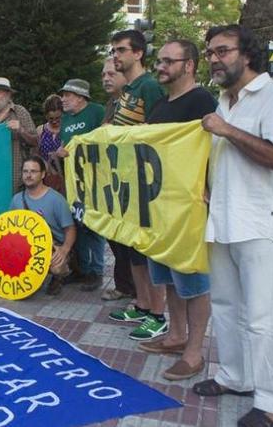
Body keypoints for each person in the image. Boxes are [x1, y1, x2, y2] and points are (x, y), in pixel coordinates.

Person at [193, 25, 273, 427]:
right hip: (222, 222)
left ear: (247, 54)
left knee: (263, 317)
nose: (214, 59)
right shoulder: (224, 102)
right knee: (225, 307)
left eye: (222, 51)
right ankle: (236, 377)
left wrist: (226, 131)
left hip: (261, 224)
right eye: (210, 53)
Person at [136, 39, 218, 380]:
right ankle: (176, 335)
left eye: (169, 61)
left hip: (189, 210)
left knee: (194, 281)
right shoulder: (158, 106)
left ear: (189, 65)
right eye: (160, 61)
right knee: (169, 277)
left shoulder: (202, 101)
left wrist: (211, 190)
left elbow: (215, 148)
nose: (161, 66)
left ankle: (195, 352)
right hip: (162, 210)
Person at [106, 29, 168, 341]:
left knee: (145, 250)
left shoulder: (150, 86)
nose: (115, 56)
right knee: (131, 250)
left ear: (138, 53)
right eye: (114, 50)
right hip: (125, 182)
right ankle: (142, 305)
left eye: (121, 50)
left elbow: (158, 133)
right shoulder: (127, 91)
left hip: (146, 182)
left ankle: (158, 314)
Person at [53, 79, 105, 293]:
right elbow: (65, 146)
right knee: (77, 224)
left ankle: (96, 271)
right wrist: (60, 153)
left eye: (67, 95)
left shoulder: (97, 112)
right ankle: (82, 269)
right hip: (74, 182)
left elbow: (106, 140)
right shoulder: (65, 119)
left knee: (94, 226)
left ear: (81, 96)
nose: (62, 99)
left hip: (96, 180)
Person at [10, 156, 76, 296]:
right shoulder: (16, 200)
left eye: (33, 171)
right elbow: (9, 228)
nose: (28, 175)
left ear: (43, 174)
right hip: (26, 245)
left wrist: (64, 249)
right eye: (25, 171)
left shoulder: (56, 199)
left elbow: (70, 229)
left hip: (52, 245)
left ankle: (59, 275)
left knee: (57, 267)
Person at [99, 58, 137, 302]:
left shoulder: (134, 102)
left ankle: (142, 294)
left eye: (111, 73)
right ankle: (124, 286)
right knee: (115, 238)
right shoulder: (111, 103)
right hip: (111, 180)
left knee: (131, 241)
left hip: (131, 181)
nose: (106, 78)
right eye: (103, 74)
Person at [0, 77, 37, 192]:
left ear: (8, 95)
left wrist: (21, 130)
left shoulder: (20, 112)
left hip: (16, 182)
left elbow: (35, 141)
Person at [34, 94, 64, 193]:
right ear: (46, 115)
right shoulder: (40, 130)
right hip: (45, 178)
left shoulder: (67, 130)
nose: (55, 121)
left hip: (65, 177)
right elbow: (35, 154)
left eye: (58, 118)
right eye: (51, 118)